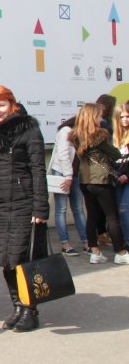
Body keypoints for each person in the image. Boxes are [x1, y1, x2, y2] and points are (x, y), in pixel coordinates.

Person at [0, 85, 49, 332]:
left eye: (2, 105)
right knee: (6, 259)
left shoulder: (28, 129)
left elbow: (38, 168)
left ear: (12, 104)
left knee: (22, 258)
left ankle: (31, 310)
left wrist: (40, 208)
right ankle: (18, 306)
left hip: (23, 201)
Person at [69, 102, 128, 264]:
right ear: (92, 117)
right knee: (112, 216)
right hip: (101, 180)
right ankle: (121, 252)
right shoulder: (100, 136)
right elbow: (116, 154)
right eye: (99, 116)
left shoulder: (75, 136)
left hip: (85, 181)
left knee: (92, 216)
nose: (101, 119)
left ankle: (95, 253)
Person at [49, 116, 89, 256]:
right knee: (62, 208)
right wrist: (68, 176)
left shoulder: (84, 133)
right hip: (62, 173)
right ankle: (65, 244)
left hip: (75, 174)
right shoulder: (65, 131)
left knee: (78, 208)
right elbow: (63, 155)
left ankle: (87, 243)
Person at [115, 102, 129, 253]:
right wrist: (116, 175)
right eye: (122, 117)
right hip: (116, 179)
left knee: (125, 209)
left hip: (127, 179)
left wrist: (126, 175)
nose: (125, 119)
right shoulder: (113, 136)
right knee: (119, 211)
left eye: (127, 116)